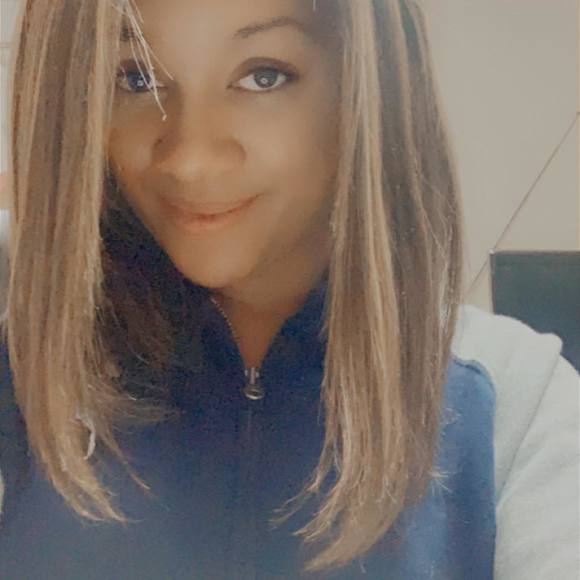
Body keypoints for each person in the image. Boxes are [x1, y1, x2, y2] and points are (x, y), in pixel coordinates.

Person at [0, 0, 577, 578]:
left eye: (263, 76)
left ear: (362, 85)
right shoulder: (23, 376)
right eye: (136, 79)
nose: (191, 159)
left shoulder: (512, 403)